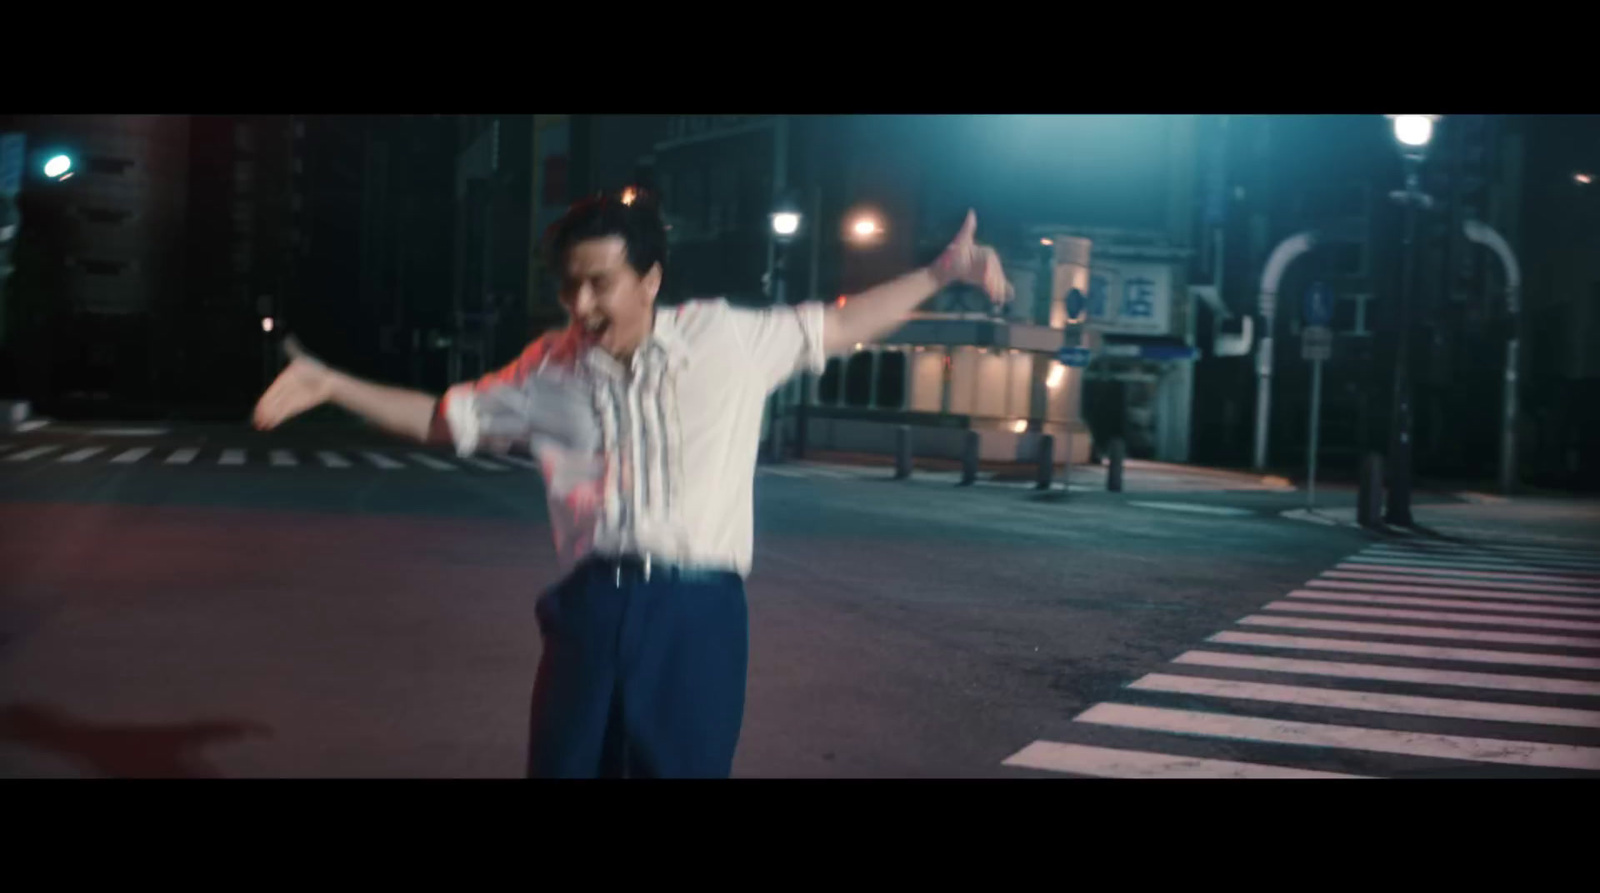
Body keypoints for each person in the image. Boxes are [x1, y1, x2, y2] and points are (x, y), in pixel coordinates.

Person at [252, 193, 1007, 778]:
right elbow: (446, 418)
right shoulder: (548, 367)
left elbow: (840, 325)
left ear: (650, 279)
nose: (582, 307)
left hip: (699, 609)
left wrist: (942, 273)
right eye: (570, 286)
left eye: (600, 284)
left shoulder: (726, 340)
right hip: (591, 603)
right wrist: (331, 383)